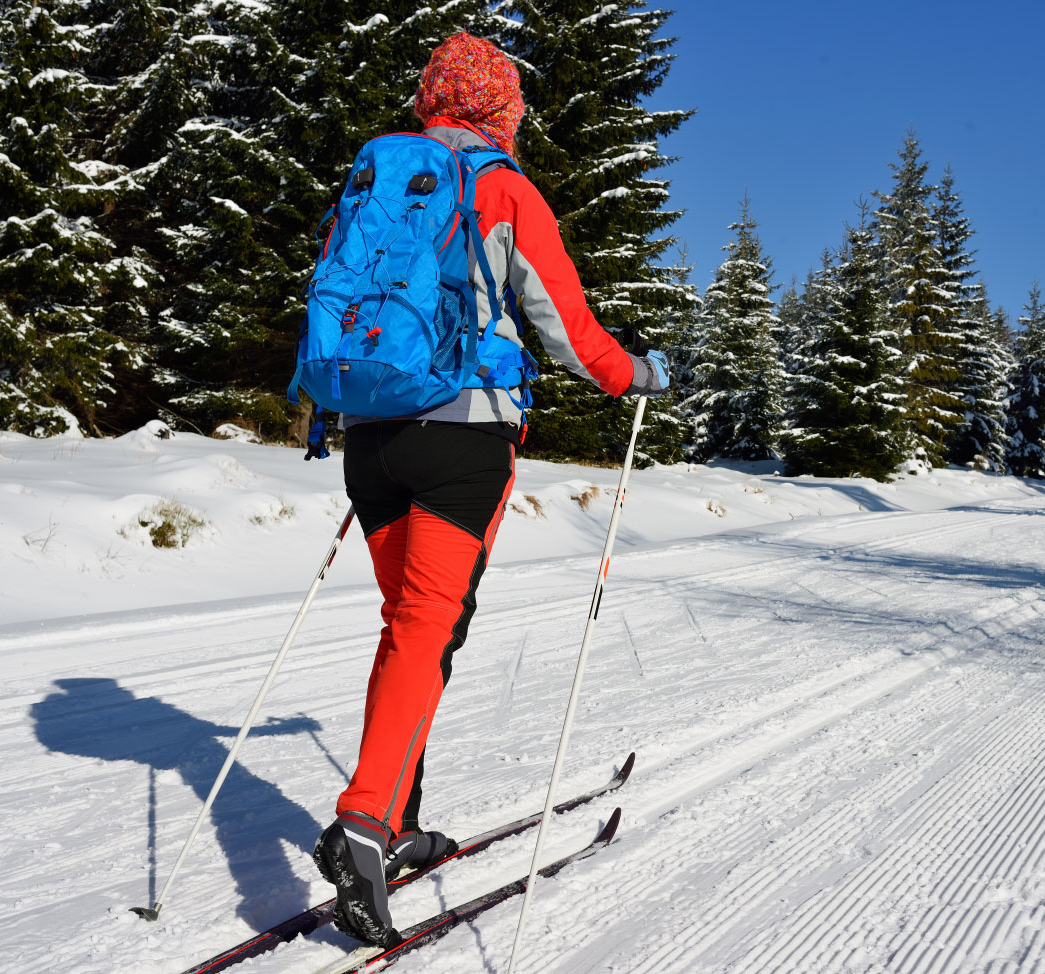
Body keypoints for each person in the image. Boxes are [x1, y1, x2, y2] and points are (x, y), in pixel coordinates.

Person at [310, 31, 670, 947]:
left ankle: (394, 821)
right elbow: (568, 330)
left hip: (370, 437)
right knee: (427, 628)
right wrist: (639, 375)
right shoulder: (502, 189)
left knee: (412, 631)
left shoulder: (378, 183)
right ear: (500, 107)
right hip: (463, 441)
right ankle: (361, 825)